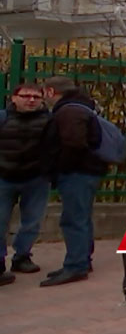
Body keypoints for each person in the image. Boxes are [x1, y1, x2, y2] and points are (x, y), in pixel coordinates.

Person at [40, 76, 109, 287]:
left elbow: (74, 144)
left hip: (77, 173)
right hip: (85, 172)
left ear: (51, 91)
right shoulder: (81, 106)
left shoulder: (70, 111)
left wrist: (61, 167)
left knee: (73, 219)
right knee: (81, 217)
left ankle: (76, 265)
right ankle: (80, 260)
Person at [0, 83, 51, 282]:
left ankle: (22, 256)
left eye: (36, 97)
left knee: (32, 222)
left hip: (36, 178)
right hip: (4, 177)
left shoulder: (49, 121)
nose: (31, 100)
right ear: (14, 98)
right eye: (25, 96)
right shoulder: (3, 119)